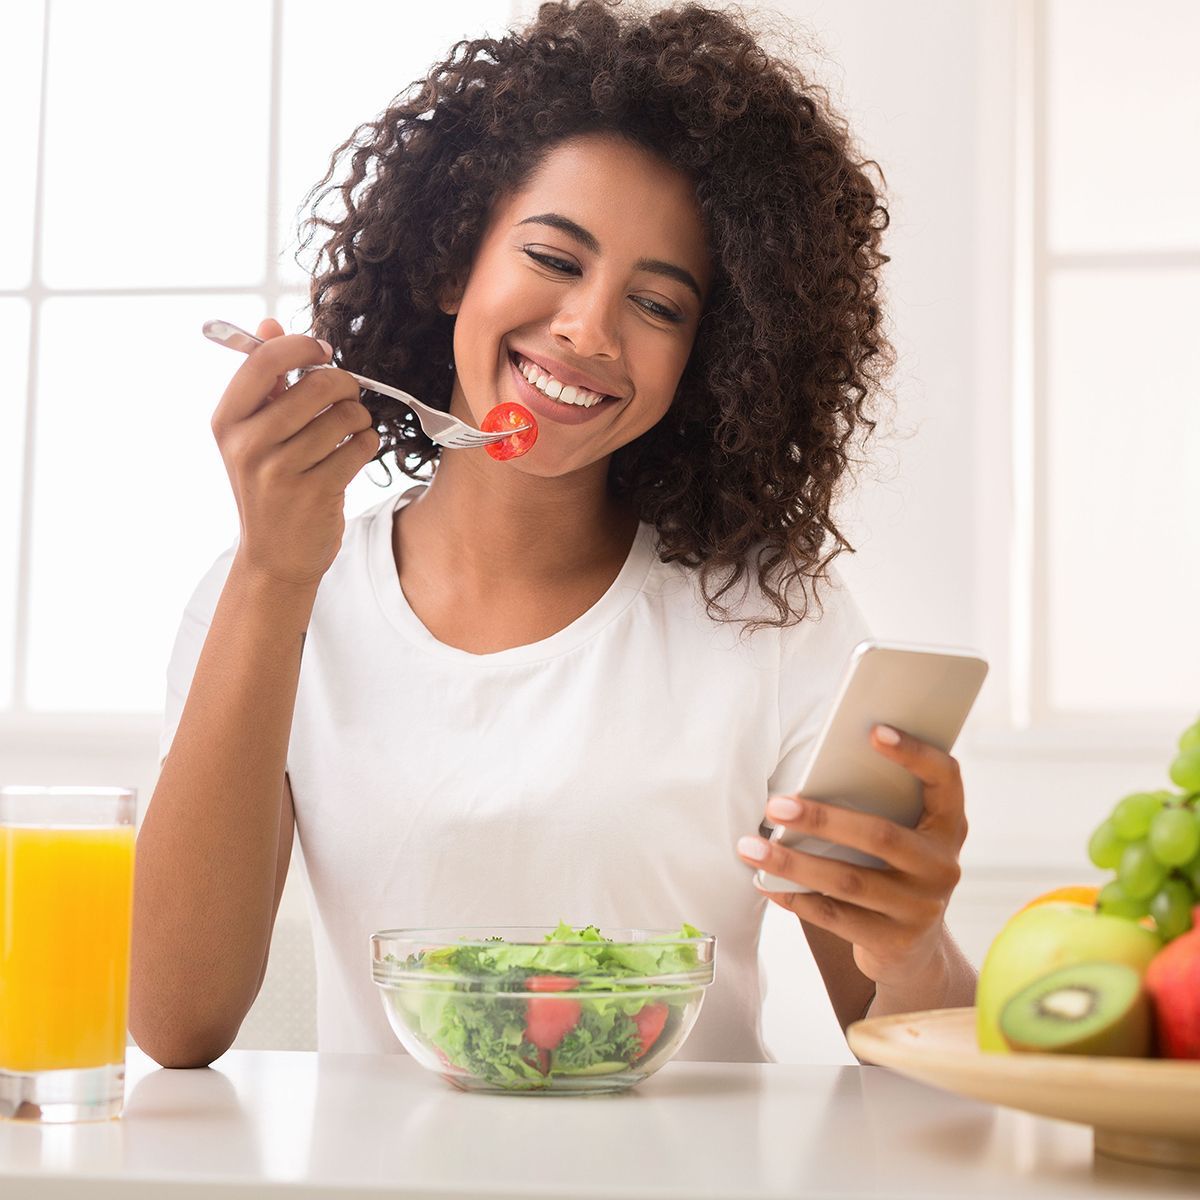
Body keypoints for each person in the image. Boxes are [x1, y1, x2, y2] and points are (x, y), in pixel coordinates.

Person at [130, 0, 976, 1069]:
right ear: (451, 266)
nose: (589, 328)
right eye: (553, 257)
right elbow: (175, 1022)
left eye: (660, 306)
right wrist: (272, 571)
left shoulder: (769, 619)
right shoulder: (277, 596)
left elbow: (910, 1044)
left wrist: (914, 947)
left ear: (709, 362)